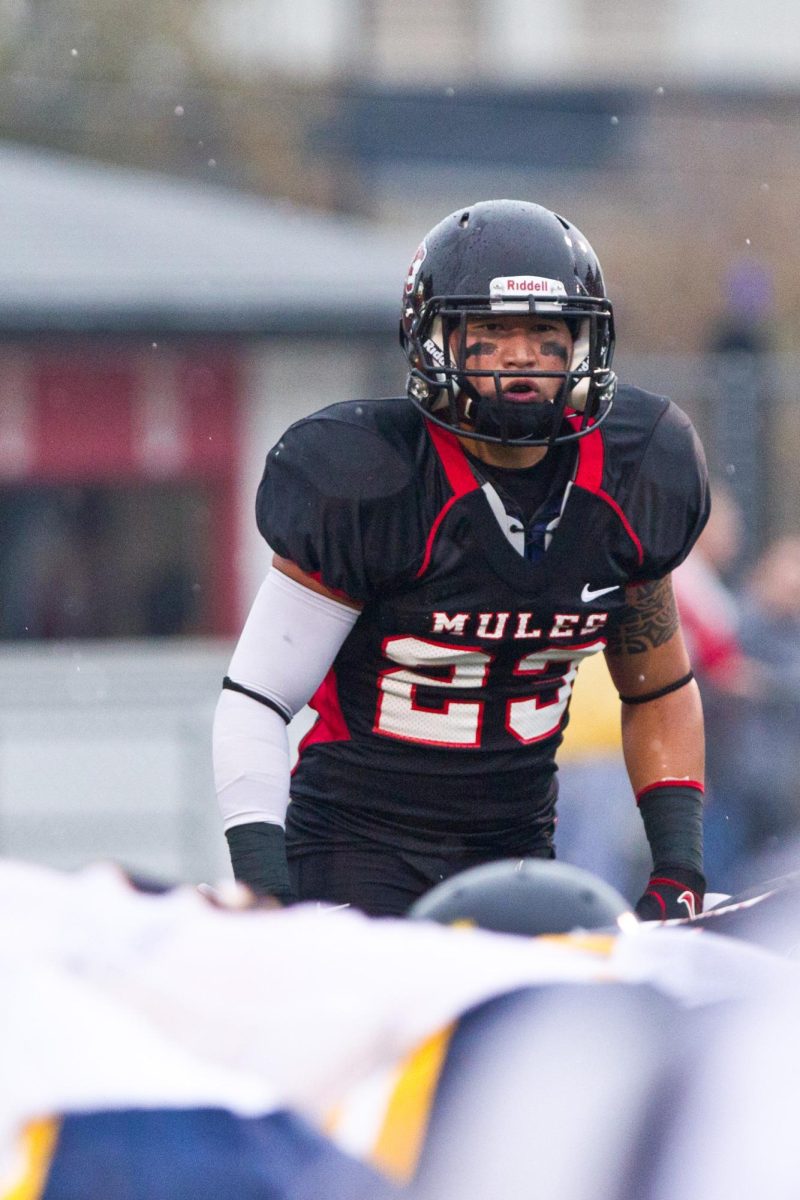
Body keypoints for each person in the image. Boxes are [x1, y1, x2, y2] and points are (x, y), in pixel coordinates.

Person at [213, 198, 710, 920]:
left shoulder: (634, 474)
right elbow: (258, 698)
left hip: (519, 851)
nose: (519, 355)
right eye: (490, 331)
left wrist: (679, 868)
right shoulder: (371, 477)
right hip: (357, 850)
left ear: (582, 344)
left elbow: (659, 691)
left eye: (545, 331)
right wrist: (262, 881)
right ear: (434, 339)